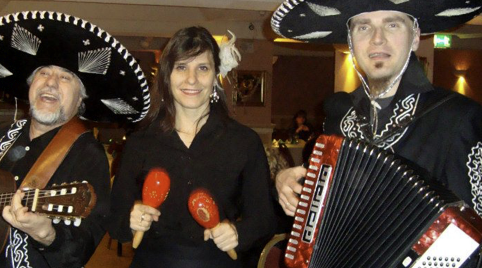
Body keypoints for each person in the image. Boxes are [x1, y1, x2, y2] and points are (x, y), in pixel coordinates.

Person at [271, 0, 482, 265]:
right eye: (363, 27)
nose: (377, 39)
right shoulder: (338, 117)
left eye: (392, 24)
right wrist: (286, 183)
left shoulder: (458, 119)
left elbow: (475, 235)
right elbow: (322, 207)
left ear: (415, 36)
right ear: (350, 40)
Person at [108, 26, 276, 268]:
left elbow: (264, 218)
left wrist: (238, 232)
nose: (191, 79)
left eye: (203, 68)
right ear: (167, 75)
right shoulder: (141, 141)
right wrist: (130, 219)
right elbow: (115, 218)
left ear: (215, 74)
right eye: (181, 67)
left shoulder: (244, 142)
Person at [0, 11, 150, 267]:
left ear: (80, 100)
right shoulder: (4, 134)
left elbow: (82, 248)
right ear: (30, 85)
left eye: (65, 78)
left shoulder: (88, 155)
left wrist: (47, 234)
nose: (51, 83)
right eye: (43, 73)